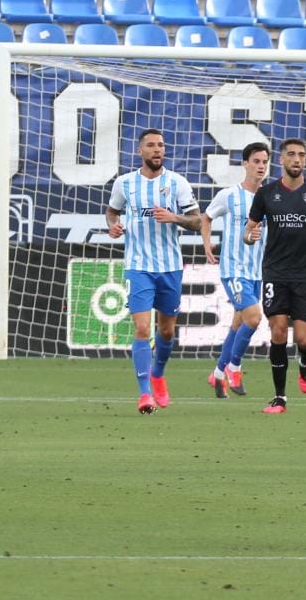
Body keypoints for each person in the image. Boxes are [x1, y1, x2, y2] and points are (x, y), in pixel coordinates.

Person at [106, 129, 201, 414]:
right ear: (140, 151)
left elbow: (197, 221)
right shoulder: (125, 184)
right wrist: (113, 225)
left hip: (170, 267)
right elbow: (112, 211)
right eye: (151, 145)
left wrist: (174, 217)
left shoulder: (177, 183)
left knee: (167, 331)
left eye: (161, 145)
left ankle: (158, 373)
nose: (157, 149)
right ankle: (145, 394)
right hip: (138, 267)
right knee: (142, 328)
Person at [246, 138, 306, 416]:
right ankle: (279, 398)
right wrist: (251, 236)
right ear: (282, 160)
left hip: (305, 273)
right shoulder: (266, 194)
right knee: (276, 332)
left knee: (304, 339)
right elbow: (248, 231)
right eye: (291, 155)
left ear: (305, 160)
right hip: (274, 271)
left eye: (301, 155)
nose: (297, 159)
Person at [201, 141, 272, 398]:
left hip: (256, 271)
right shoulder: (229, 196)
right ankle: (234, 367)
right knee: (254, 318)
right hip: (233, 269)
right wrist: (207, 243)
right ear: (245, 164)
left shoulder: (271, 197)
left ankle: (217, 374)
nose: (261, 166)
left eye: (264, 162)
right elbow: (207, 217)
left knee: (239, 322)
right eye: (256, 161)